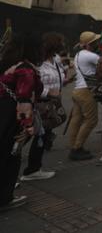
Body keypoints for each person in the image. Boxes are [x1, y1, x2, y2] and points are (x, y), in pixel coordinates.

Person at [0, 33, 43, 210]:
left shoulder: (6, 65)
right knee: (10, 156)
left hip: (2, 111)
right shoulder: (25, 69)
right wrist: (28, 127)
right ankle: (4, 198)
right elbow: (24, 100)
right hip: (11, 116)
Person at [21, 32, 69, 181]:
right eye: (61, 42)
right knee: (26, 136)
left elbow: (60, 76)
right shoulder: (38, 63)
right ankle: (27, 169)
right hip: (40, 105)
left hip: (51, 106)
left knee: (40, 136)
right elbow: (33, 86)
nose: (63, 45)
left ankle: (33, 169)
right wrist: (49, 92)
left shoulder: (55, 59)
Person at [67, 31, 102, 161]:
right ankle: (77, 148)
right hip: (86, 91)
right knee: (91, 120)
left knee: (76, 120)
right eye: (96, 41)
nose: (99, 43)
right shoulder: (91, 55)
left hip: (78, 90)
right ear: (91, 44)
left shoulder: (78, 54)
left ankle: (73, 145)